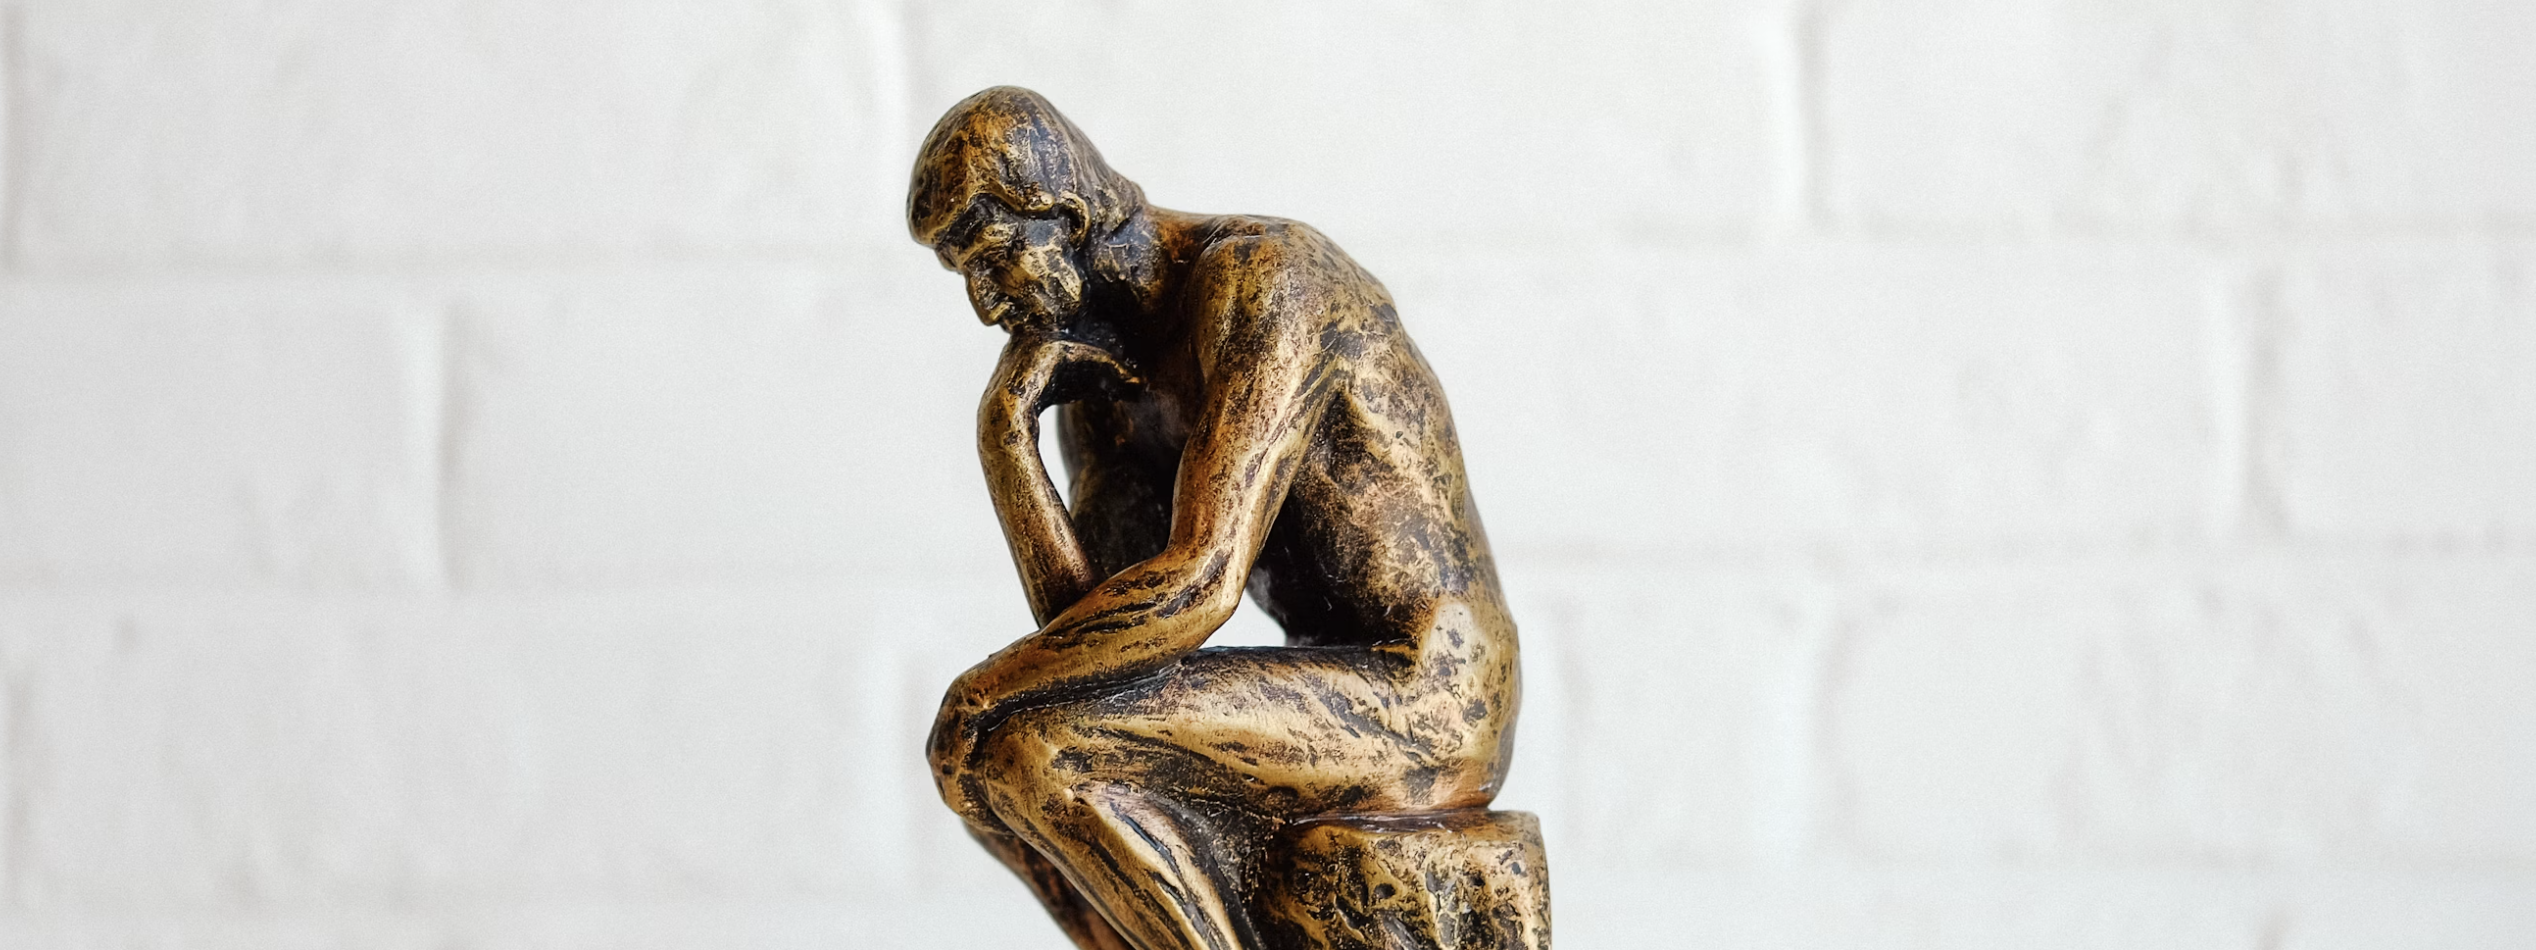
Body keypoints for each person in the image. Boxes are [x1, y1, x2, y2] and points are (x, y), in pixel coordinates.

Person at [911, 86, 1522, 950]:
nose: (984, 303)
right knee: (977, 769)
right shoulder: (1099, 384)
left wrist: (982, 689)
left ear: (1065, 215)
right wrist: (1007, 442)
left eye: (993, 256)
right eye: (963, 275)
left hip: (1434, 691)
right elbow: (1087, 641)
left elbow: (1200, 586)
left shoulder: (1265, 277)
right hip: (1327, 687)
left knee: (1033, 749)